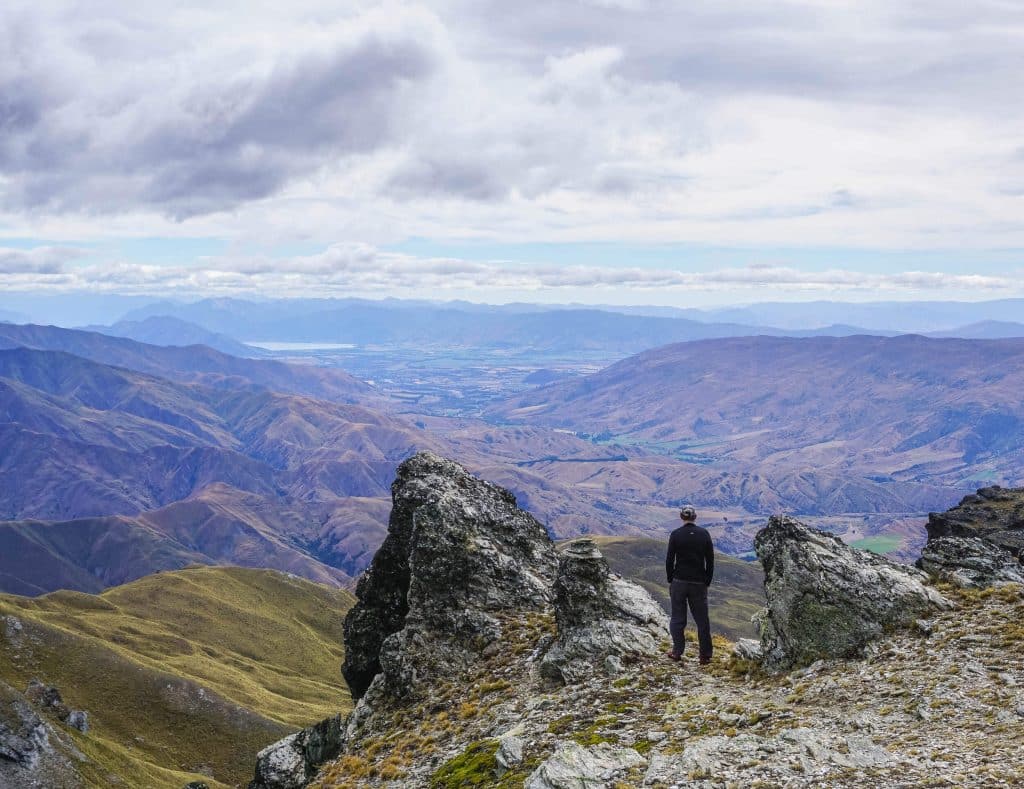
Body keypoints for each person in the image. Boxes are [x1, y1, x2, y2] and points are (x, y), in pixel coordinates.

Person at [665, 505, 714, 664]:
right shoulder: (704, 534)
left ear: (681, 517)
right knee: (702, 621)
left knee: (678, 619)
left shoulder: (676, 535)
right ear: (695, 517)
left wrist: (671, 579)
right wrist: (707, 580)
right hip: (698, 583)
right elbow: (710, 560)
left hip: (679, 581)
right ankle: (705, 656)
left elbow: (669, 560)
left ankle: (677, 652)